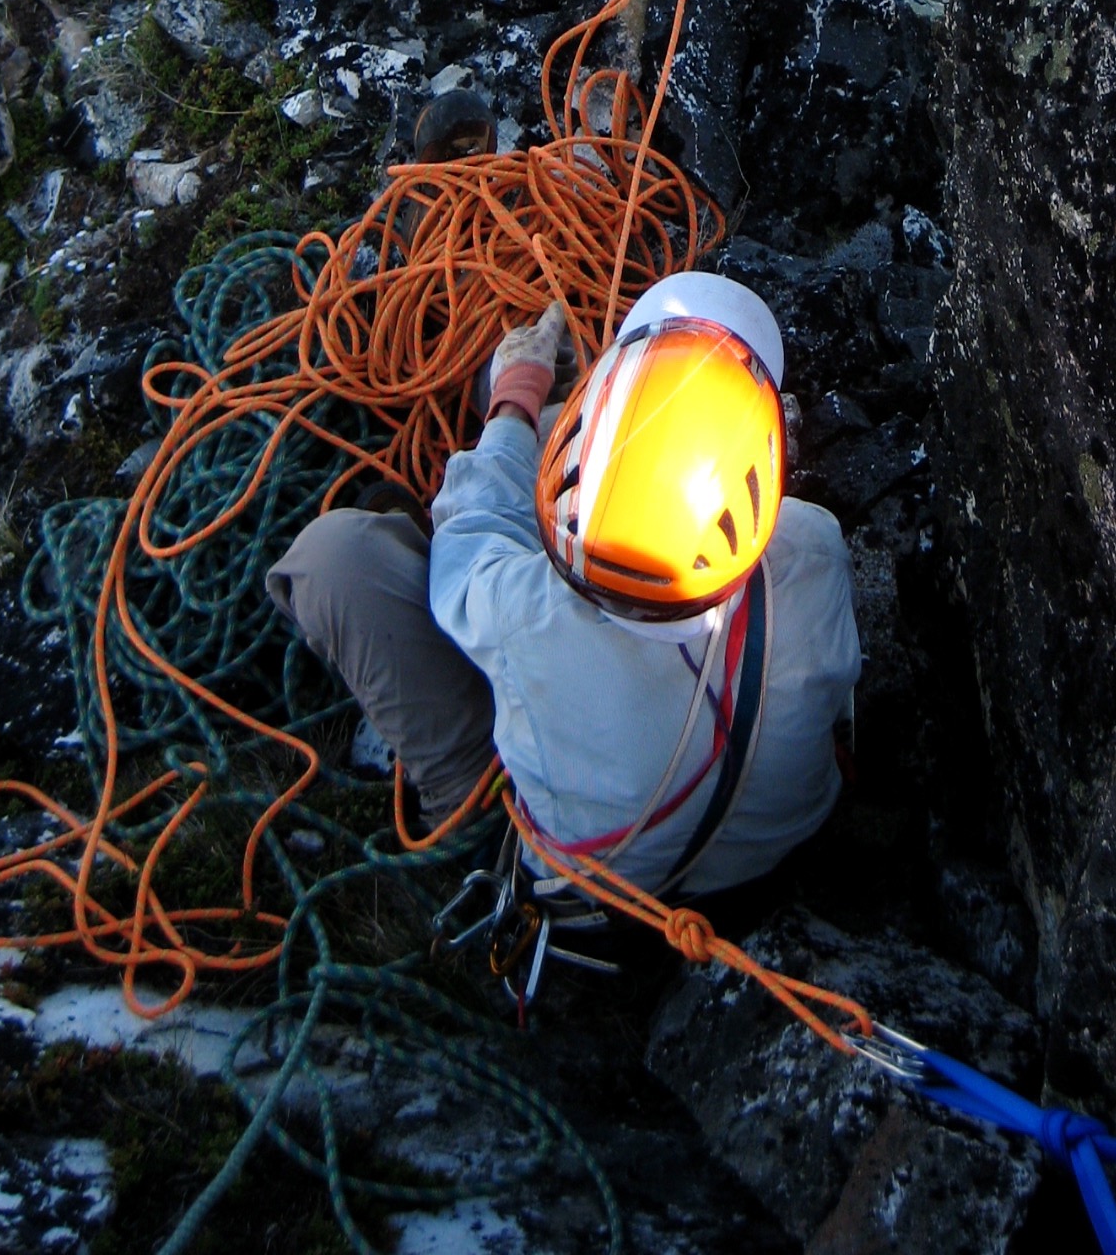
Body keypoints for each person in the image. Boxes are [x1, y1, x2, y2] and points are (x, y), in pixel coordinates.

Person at [267, 272, 860, 898]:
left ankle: (459, 814)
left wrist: (516, 397)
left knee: (336, 561)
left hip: (583, 898)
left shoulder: (530, 616)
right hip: (760, 873)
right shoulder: (815, 548)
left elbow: (470, 536)